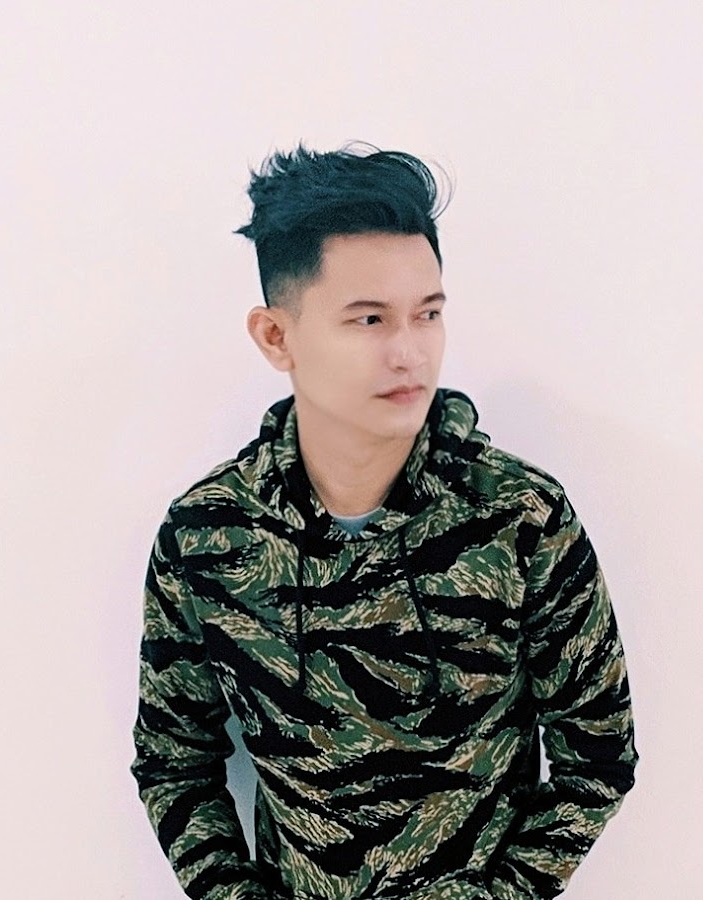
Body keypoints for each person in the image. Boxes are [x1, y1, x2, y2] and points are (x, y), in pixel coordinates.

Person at [131, 144, 638, 900]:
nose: (410, 353)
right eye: (369, 319)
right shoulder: (207, 535)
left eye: (428, 314)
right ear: (276, 336)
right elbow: (174, 762)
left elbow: (597, 761)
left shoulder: (520, 518)